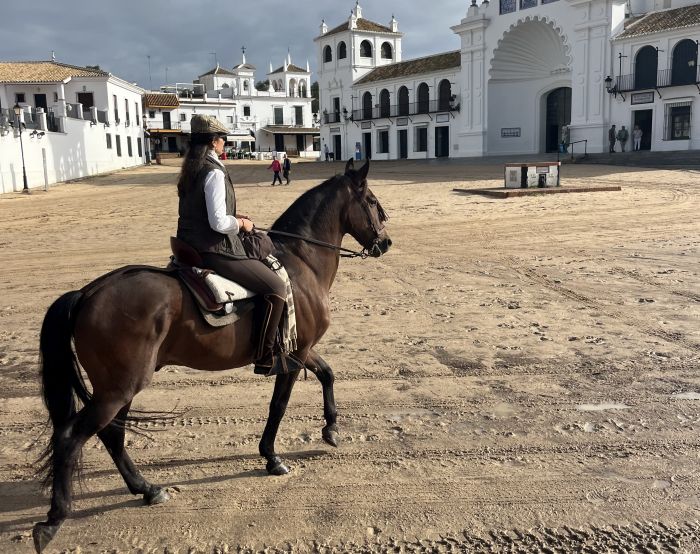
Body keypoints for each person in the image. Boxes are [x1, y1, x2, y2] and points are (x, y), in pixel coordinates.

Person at [176, 115, 302, 376]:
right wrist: (241, 224)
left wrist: (235, 216)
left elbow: (202, 212)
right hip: (213, 249)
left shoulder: (191, 168)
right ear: (214, 141)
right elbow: (218, 223)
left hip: (188, 246)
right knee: (276, 287)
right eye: (224, 140)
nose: (225, 144)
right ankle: (265, 355)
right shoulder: (213, 172)